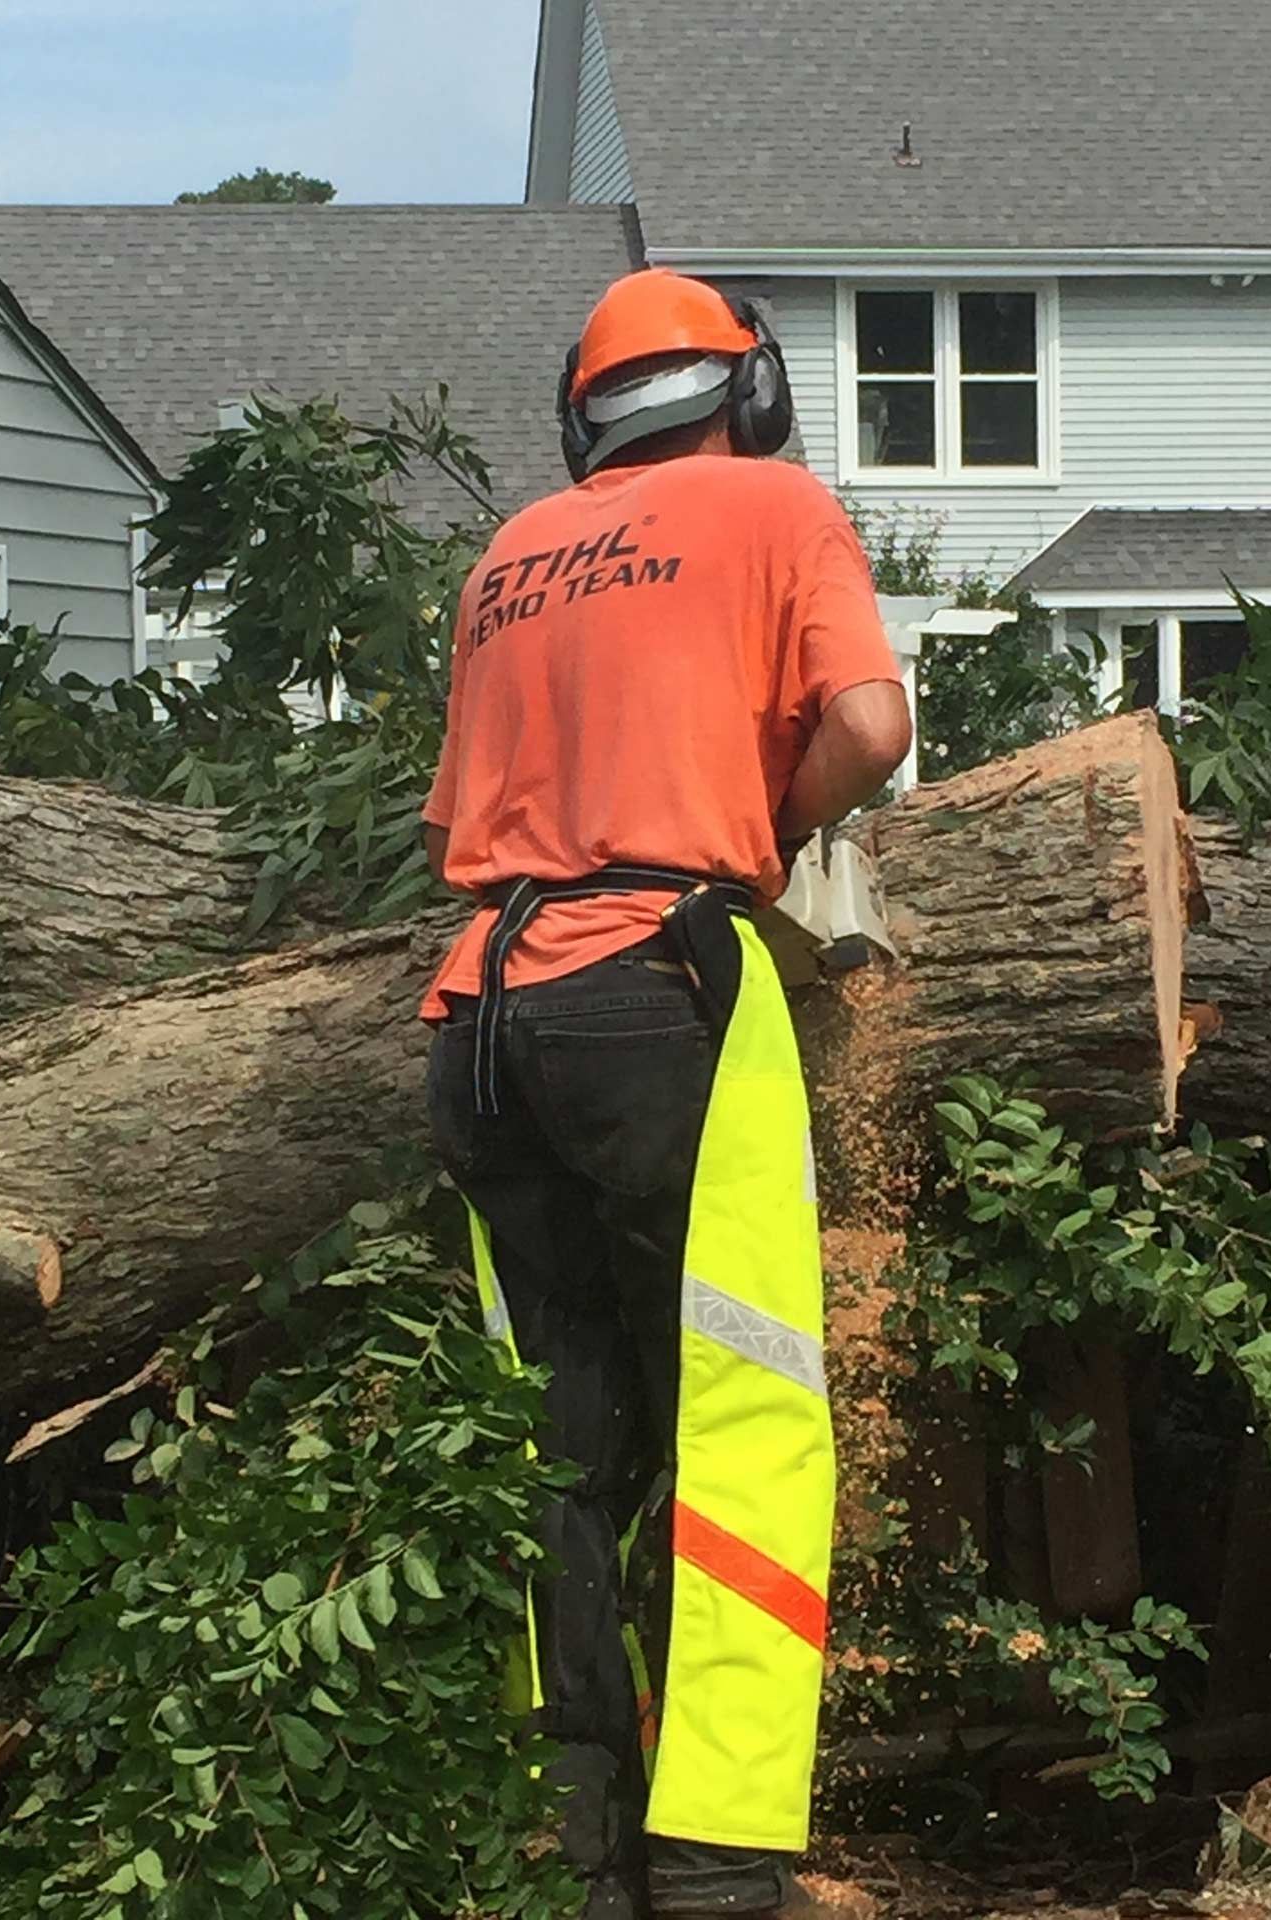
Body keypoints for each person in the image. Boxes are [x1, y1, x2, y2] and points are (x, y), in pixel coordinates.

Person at [422, 267, 911, 1920]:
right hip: (655, 991)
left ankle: (567, 1840)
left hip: (481, 1008)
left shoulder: (504, 559)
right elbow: (870, 721)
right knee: (746, 1411)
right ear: (748, 390)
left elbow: (458, 833)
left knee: (546, 1437)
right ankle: (714, 1858)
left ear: (584, 415)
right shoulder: (775, 501)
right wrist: (763, 827)